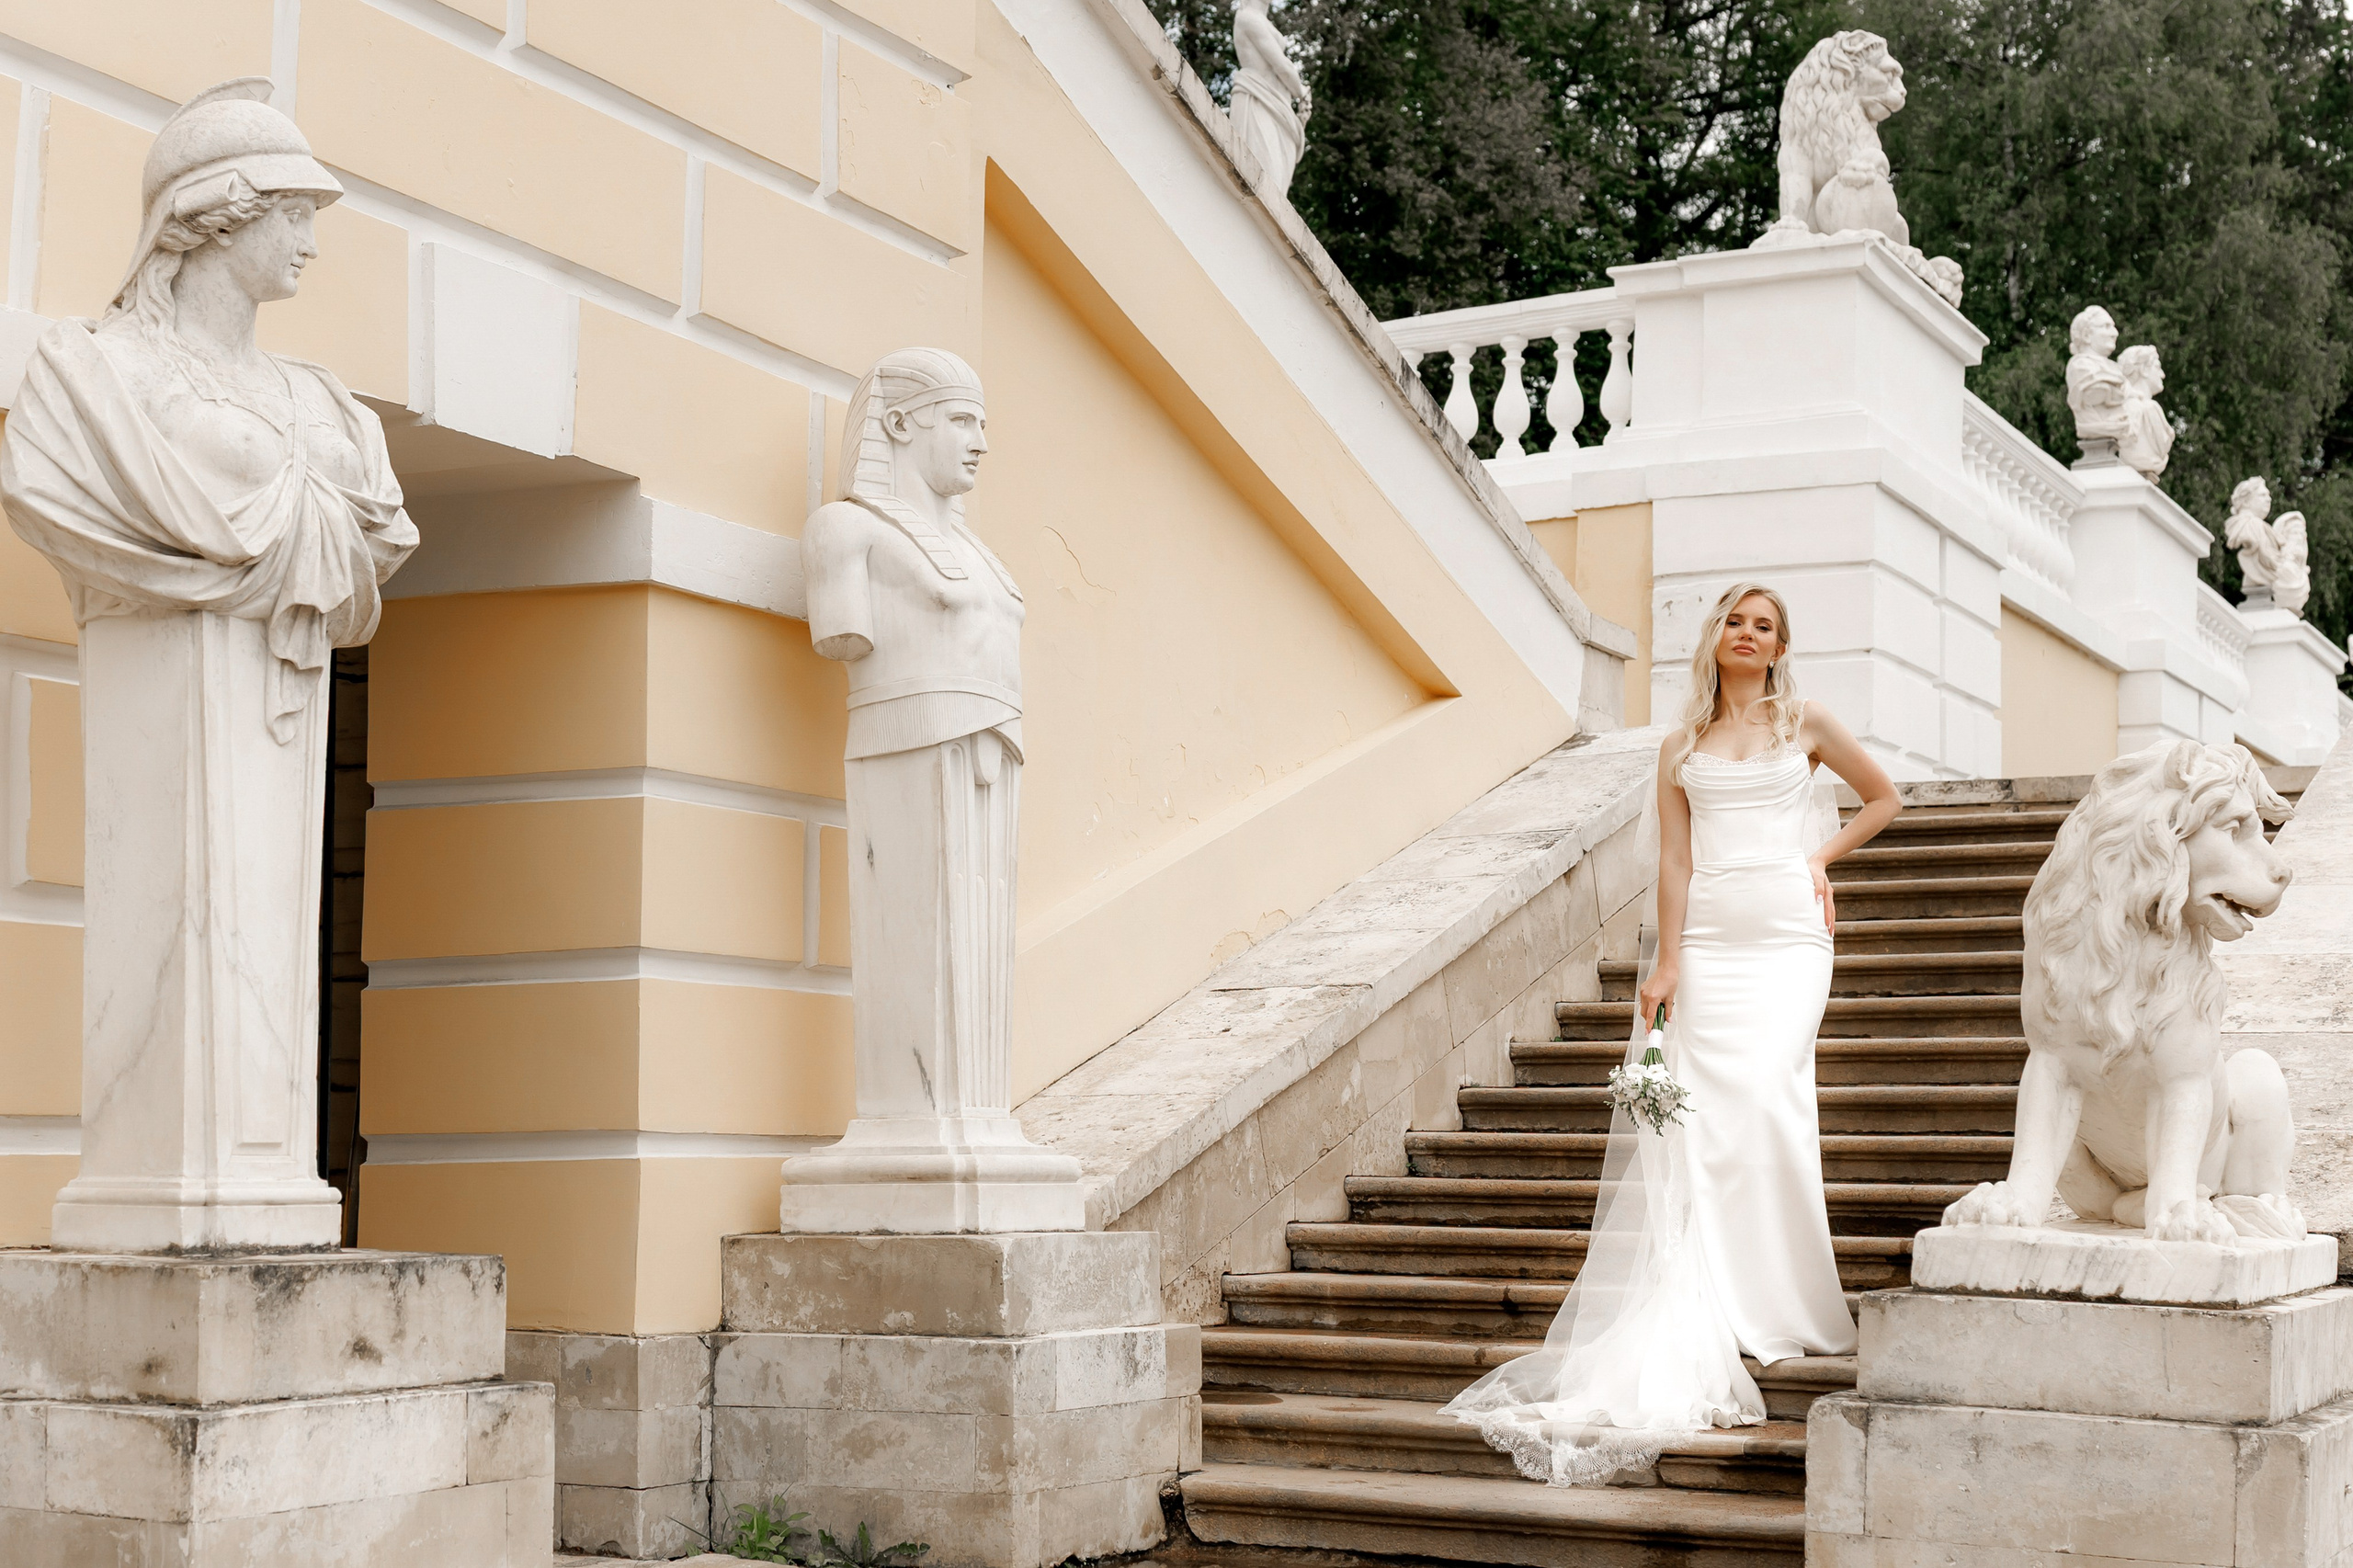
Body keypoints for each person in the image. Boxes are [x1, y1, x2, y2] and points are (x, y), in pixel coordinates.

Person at [1443, 581, 1901, 1485]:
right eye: (1735, 618)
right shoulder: (1679, 744)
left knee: (1769, 1095)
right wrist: (1665, 963)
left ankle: (1782, 1299)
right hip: (1714, 940)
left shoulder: (1803, 722)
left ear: (1778, 647)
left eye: (1763, 624)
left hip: (1787, 935)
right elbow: (1675, 860)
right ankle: (1721, 1300)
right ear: (1717, 635)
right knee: (1707, 1118)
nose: (1746, 632)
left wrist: (1817, 856)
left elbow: (1885, 798)